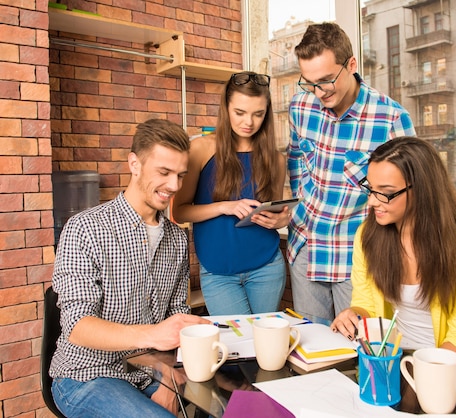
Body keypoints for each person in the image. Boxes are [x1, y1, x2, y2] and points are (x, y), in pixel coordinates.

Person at [50, 118, 209, 417]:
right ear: (134, 164)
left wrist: (168, 382)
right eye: (164, 172)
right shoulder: (85, 228)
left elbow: (175, 317)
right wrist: (153, 334)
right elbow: (78, 326)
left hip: (151, 373)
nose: (174, 186)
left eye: (180, 175)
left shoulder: (176, 238)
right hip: (86, 375)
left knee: (229, 407)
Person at [331, 137, 456, 370]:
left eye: (386, 192)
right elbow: (366, 301)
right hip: (395, 357)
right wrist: (353, 314)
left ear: (421, 190)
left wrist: (424, 372)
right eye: (370, 189)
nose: (372, 201)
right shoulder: (368, 235)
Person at [287, 22, 416, 325]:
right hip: (306, 248)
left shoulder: (391, 118)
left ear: (352, 65)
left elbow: (420, 187)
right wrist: (294, 211)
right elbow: (296, 164)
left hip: (358, 257)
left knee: (360, 352)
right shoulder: (300, 107)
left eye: (327, 80)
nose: (319, 92)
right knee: (311, 349)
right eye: (310, 83)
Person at [172, 72, 289, 315]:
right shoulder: (200, 149)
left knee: (265, 347)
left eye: (258, 114)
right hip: (218, 273)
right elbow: (179, 211)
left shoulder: (276, 160)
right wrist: (224, 206)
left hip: (267, 267)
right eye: (240, 112)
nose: (249, 122)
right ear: (226, 108)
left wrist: (280, 220)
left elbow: (273, 211)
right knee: (238, 347)